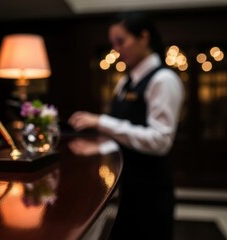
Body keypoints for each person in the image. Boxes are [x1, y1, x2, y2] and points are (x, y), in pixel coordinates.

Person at [68, 12, 184, 240]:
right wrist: (97, 149)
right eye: (113, 44)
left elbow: (160, 141)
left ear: (143, 37)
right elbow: (122, 134)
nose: (116, 50)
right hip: (126, 186)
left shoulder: (163, 80)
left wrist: (101, 121)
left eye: (121, 41)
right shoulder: (125, 81)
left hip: (150, 190)